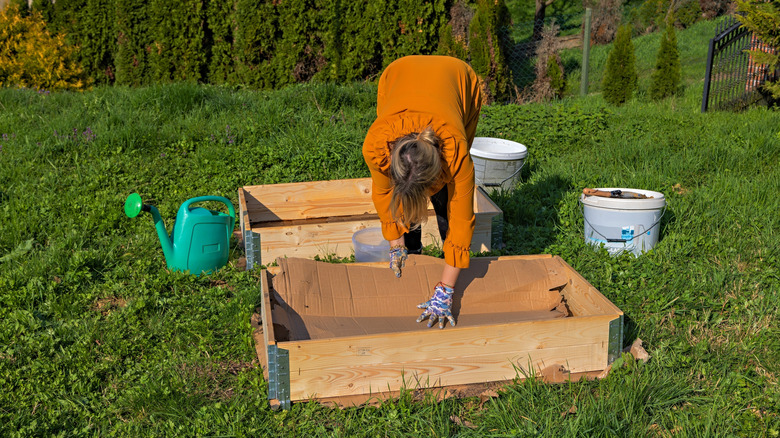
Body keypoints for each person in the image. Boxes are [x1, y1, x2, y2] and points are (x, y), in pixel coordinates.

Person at [362, 55, 482, 329]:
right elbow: (383, 196)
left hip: (458, 78)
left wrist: (445, 290)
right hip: (398, 74)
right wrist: (396, 244)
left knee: (446, 200)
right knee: (405, 197)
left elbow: (462, 220)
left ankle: (444, 255)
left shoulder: (456, 154)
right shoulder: (376, 145)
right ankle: (412, 249)